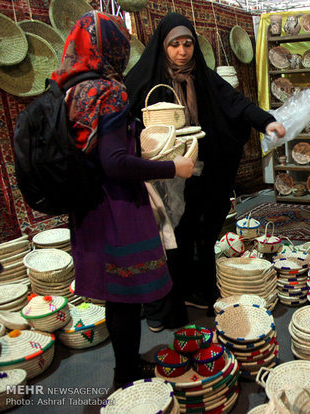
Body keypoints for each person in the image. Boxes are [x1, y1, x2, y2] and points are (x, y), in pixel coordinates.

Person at [51, 11, 194, 388]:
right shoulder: (108, 91)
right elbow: (115, 163)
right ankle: (126, 373)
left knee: (116, 295)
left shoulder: (69, 87)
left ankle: (125, 367)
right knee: (128, 295)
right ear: (112, 47)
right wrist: (171, 167)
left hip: (87, 205)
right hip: (117, 207)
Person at [125, 13, 285, 330]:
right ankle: (165, 303)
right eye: (174, 45)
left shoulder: (204, 78)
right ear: (163, 46)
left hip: (200, 171)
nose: (182, 51)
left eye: (187, 44)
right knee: (171, 239)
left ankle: (199, 290)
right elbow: (125, 124)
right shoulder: (145, 79)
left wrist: (266, 121)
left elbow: (236, 102)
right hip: (163, 176)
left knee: (203, 231)